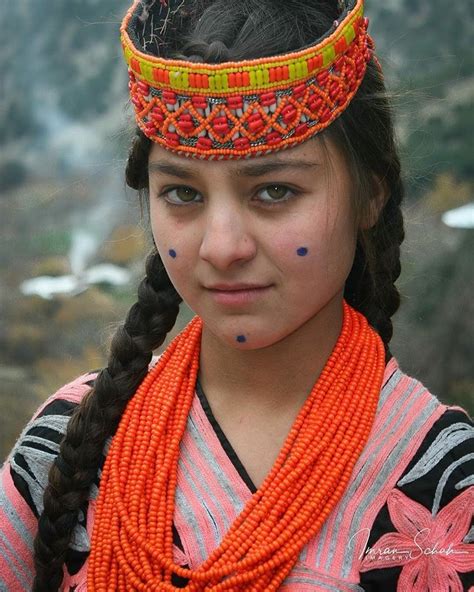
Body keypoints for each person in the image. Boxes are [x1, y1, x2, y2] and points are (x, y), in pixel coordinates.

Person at [1, 0, 473, 590]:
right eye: (182, 194)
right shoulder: (69, 438)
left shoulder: (446, 482)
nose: (221, 248)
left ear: (370, 196)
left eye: (274, 190)